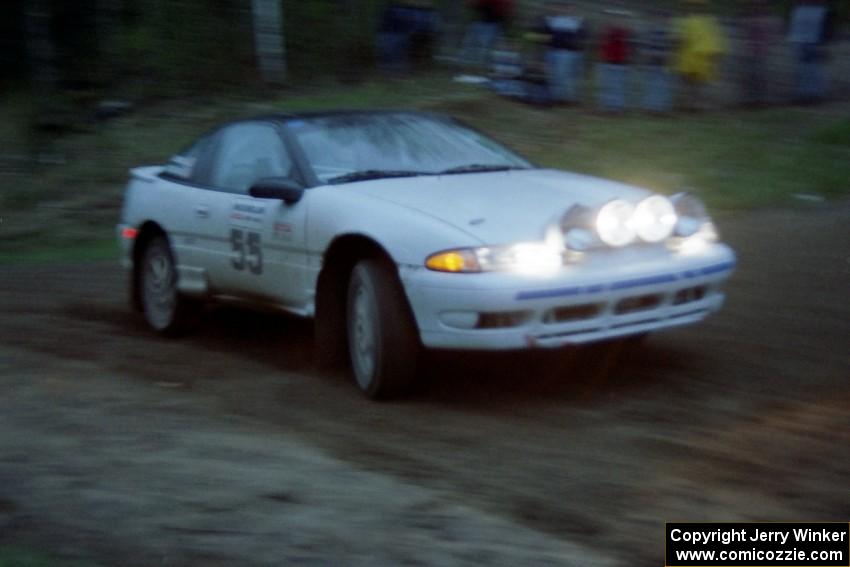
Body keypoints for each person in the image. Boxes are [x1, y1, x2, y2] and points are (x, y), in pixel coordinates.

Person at [671, 0, 728, 110]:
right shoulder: (710, 22)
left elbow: (678, 40)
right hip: (697, 58)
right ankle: (693, 105)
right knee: (696, 85)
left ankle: (690, 105)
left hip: (690, 58)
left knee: (690, 84)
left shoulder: (684, 21)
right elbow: (716, 42)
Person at [531, 2, 588, 104]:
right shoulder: (553, 20)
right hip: (551, 51)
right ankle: (553, 96)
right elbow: (544, 34)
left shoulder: (576, 21)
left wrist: (574, 46)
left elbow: (582, 37)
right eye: (562, 7)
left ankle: (564, 98)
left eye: (567, 7)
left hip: (566, 52)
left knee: (562, 75)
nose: (564, 9)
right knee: (552, 75)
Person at [787, 0, 835, 103]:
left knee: (814, 70)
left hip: (815, 43)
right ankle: (801, 94)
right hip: (800, 42)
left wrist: (825, 45)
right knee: (801, 70)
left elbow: (828, 30)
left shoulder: (824, 11)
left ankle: (815, 95)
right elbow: (795, 26)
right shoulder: (798, 10)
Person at [595, 10, 635, 112]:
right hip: (607, 61)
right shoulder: (606, 30)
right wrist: (601, 56)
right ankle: (604, 105)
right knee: (605, 85)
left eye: (620, 18)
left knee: (619, 85)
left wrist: (629, 58)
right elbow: (601, 45)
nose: (617, 20)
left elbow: (630, 48)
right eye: (614, 18)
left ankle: (617, 107)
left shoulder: (627, 32)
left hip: (621, 62)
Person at [739, 0, 773, 107]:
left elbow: (768, 36)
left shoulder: (765, 20)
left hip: (760, 51)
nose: (757, 7)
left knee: (759, 76)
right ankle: (750, 99)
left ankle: (759, 99)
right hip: (751, 50)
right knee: (750, 76)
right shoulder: (749, 19)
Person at [639, 9, 674, 112]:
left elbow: (671, 49)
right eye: (663, 19)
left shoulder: (669, 34)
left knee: (662, 86)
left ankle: (660, 107)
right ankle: (652, 107)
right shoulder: (651, 32)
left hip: (664, 64)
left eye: (667, 19)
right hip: (653, 63)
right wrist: (647, 56)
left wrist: (668, 56)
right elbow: (646, 47)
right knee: (652, 86)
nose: (665, 21)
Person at [461, 0, 514, 67]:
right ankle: (470, 66)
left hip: (490, 24)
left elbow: (472, 4)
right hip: (484, 23)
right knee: (476, 48)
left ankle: (479, 67)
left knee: (484, 50)